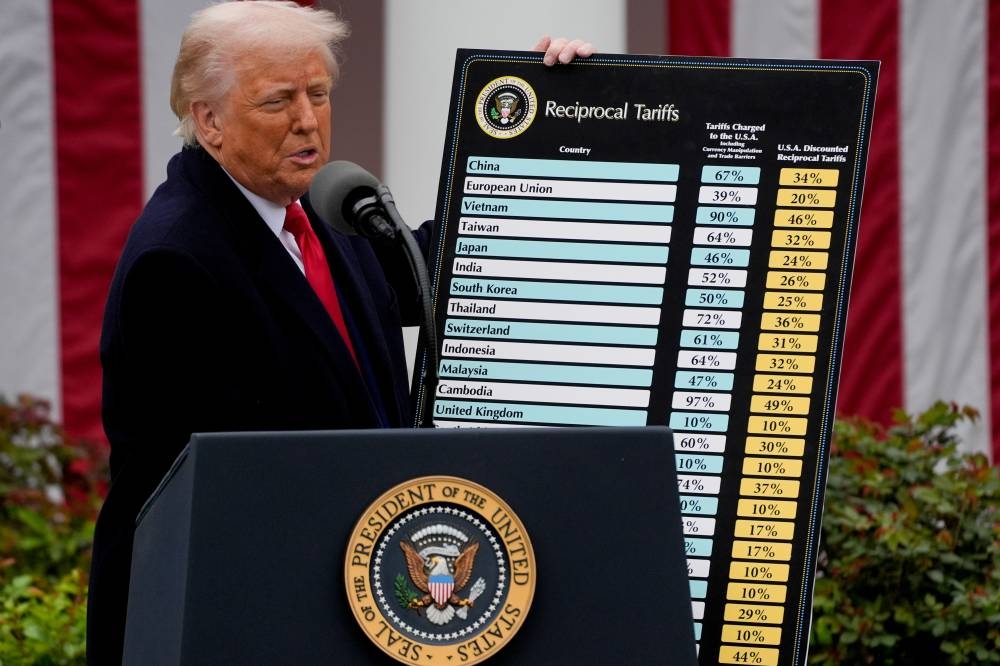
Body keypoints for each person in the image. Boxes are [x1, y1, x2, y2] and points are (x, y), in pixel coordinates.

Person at [86, 1, 593, 662]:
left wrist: (556, 118)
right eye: (276, 102)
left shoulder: (318, 208)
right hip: (233, 620)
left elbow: (442, 271)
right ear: (207, 119)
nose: (307, 120)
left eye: (318, 94)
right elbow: (232, 490)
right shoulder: (177, 259)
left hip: (341, 598)